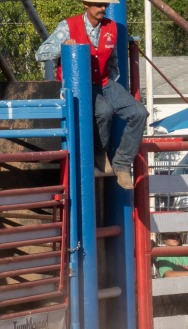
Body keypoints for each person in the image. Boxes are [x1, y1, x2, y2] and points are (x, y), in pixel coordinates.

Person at [35, 0, 148, 190]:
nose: (103, 8)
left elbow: (112, 61)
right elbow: (41, 53)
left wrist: (113, 89)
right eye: (98, 5)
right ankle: (99, 151)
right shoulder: (68, 26)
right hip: (78, 85)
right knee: (103, 111)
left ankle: (121, 164)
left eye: (104, 5)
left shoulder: (112, 27)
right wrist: (64, 46)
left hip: (103, 81)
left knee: (139, 113)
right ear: (86, 6)